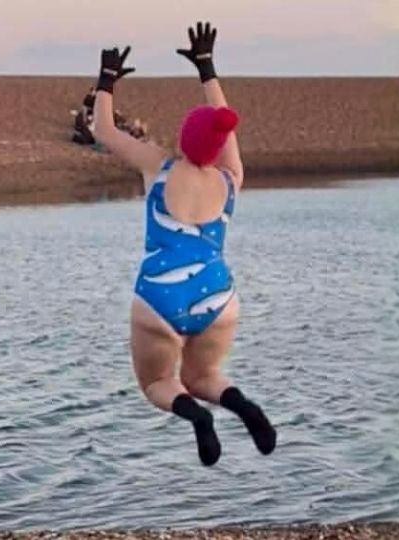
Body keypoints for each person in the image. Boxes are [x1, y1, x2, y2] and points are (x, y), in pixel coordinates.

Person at [92, 22, 275, 466]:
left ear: (182, 137)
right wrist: (207, 69)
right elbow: (225, 132)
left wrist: (107, 81)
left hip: (160, 293)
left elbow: (102, 129)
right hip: (218, 294)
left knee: (157, 383)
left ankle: (198, 420)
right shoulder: (230, 179)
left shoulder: (158, 166)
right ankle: (242, 406)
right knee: (203, 374)